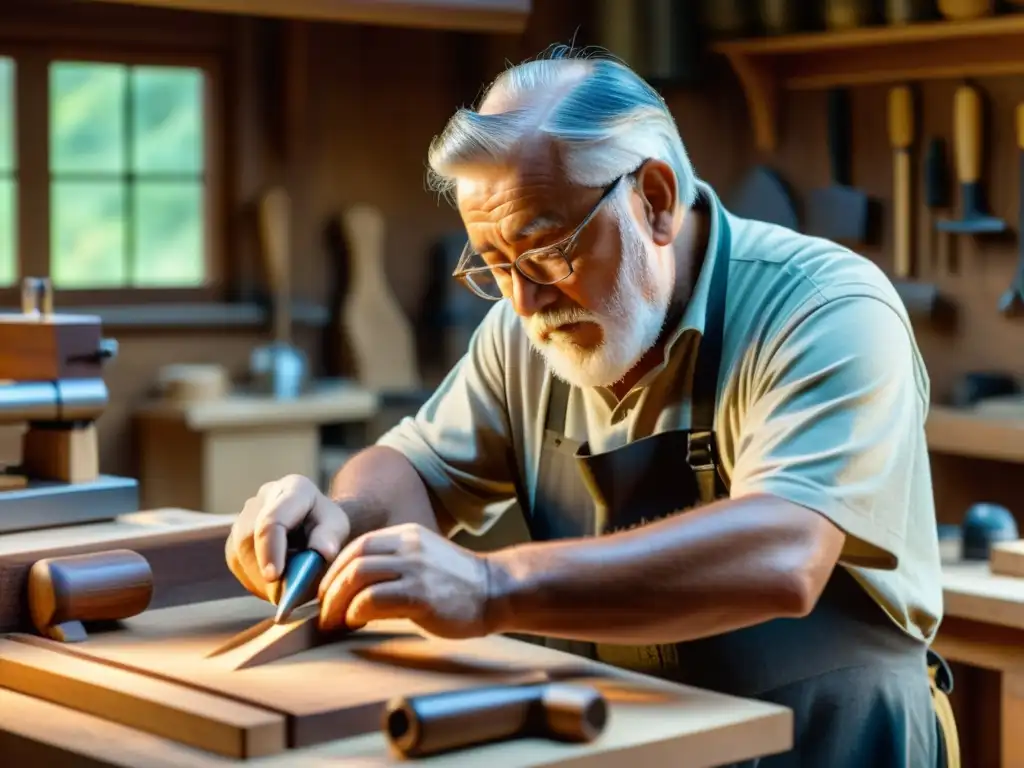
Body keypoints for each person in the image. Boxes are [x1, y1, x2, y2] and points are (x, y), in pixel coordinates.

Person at [225, 46, 949, 766]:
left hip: (829, 741)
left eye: (545, 251)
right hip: (625, 735)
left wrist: (490, 586)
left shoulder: (824, 307)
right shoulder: (522, 328)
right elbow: (411, 466)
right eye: (493, 263)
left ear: (655, 200)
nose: (523, 300)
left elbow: (784, 554)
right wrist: (339, 525)